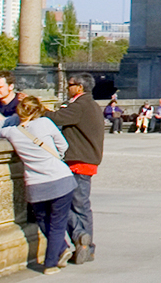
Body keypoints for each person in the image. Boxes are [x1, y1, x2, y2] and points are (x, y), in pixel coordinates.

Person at [0, 93, 73, 274]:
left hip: (36, 183)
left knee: (43, 220)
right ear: (38, 110)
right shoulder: (45, 123)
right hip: (60, 179)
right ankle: (51, 263)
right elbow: (64, 146)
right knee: (58, 223)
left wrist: (13, 119)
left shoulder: (12, 131)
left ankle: (61, 249)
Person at [49, 73, 105, 266]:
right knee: (81, 205)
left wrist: (36, 107)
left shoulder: (80, 105)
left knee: (68, 204)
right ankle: (86, 246)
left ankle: (81, 237)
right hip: (86, 161)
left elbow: (55, 118)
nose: (67, 88)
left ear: (79, 87)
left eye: (70, 85)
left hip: (78, 161)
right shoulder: (89, 104)